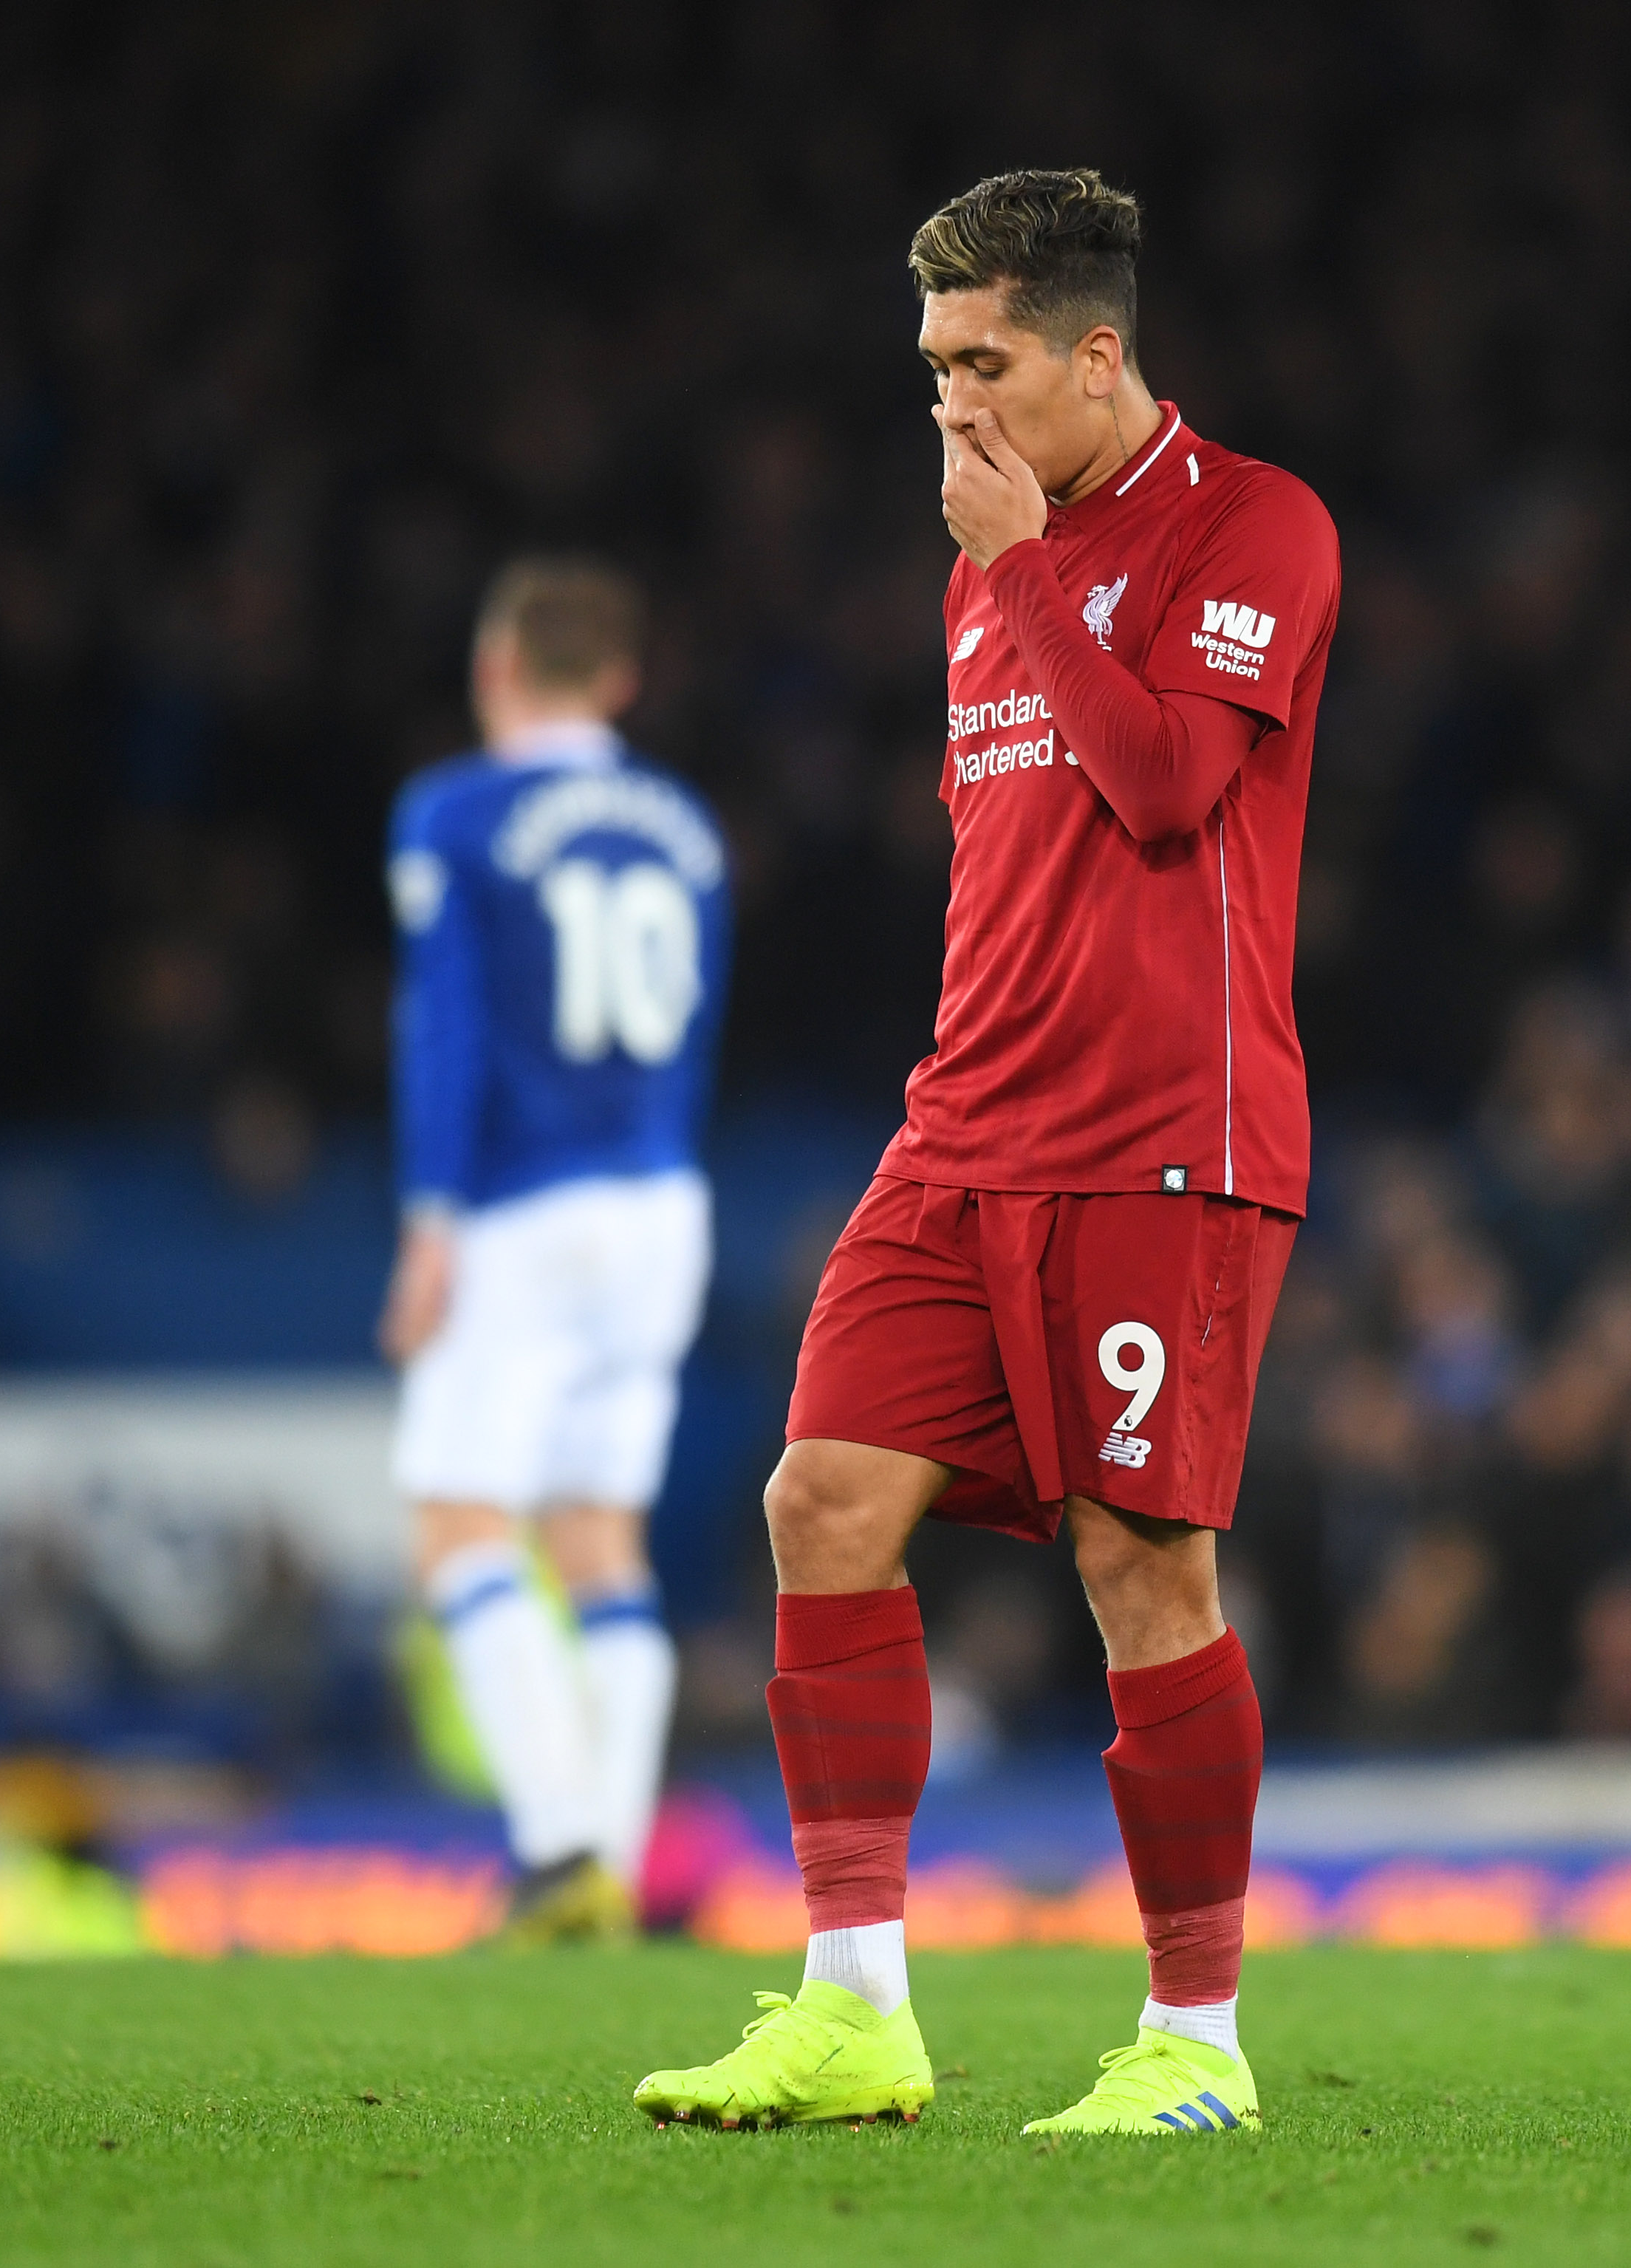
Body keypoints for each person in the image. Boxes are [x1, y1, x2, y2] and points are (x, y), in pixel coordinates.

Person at [635, 169, 1340, 2137]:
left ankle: (1195, 2041)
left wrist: (1027, 569)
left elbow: (1173, 787)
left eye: (986, 362)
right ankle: (857, 2005)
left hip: (1163, 1140)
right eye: (934, 366)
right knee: (821, 1500)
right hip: (963, 1133)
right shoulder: (983, 563)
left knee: (1142, 1561)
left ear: (1097, 355)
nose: (951, 404)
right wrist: (1014, 567)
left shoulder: (1251, 524)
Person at [380, 556, 731, 1941]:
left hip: (522, 1204)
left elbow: (446, 1025)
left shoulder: (455, 812)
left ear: (497, 667)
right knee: (600, 1537)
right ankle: (614, 1864)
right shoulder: (685, 826)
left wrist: (430, 1220)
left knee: (461, 1520)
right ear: (622, 679)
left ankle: (557, 1850)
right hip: (662, 1195)